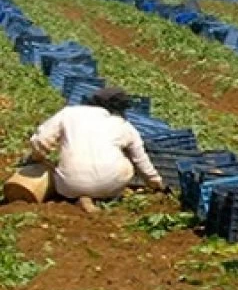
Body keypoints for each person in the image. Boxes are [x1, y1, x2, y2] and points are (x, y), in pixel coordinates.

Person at [25, 87, 164, 213]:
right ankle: (98, 197)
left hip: (69, 187)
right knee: (127, 160)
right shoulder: (124, 126)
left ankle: (81, 197)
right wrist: (156, 183)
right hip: (111, 187)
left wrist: (38, 158)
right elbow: (141, 160)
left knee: (56, 169)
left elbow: (40, 140)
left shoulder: (68, 113)